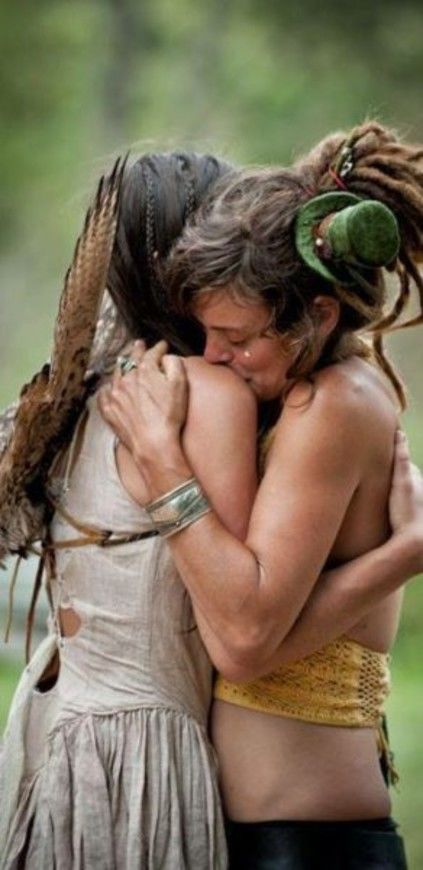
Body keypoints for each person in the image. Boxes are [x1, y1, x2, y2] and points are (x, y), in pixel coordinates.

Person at [99, 122, 423, 869]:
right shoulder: (314, 392)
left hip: (310, 846)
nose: (216, 356)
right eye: (206, 334)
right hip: (277, 837)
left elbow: (245, 643)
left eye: (237, 336)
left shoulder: (334, 402)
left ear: (319, 316)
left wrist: (163, 466)